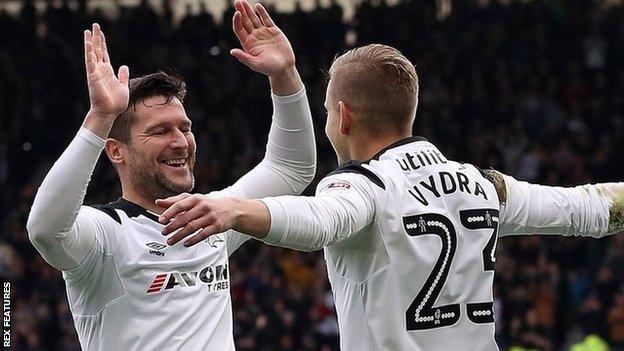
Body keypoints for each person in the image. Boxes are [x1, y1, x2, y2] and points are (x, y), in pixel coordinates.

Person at [159, 44, 624, 350]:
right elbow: (590, 209)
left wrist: (236, 208)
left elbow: (322, 220)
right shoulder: (484, 185)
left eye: (325, 111)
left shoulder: (364, 185)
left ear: (342, 116)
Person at [26, 1, 316, 349]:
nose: (181, 142)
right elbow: (45, 230)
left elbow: (291, 168)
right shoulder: (107, 234)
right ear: (116, 150)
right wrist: (101, 118)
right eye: (161, 131)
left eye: (185, 128)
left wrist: (284, 75)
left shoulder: (212, 216)